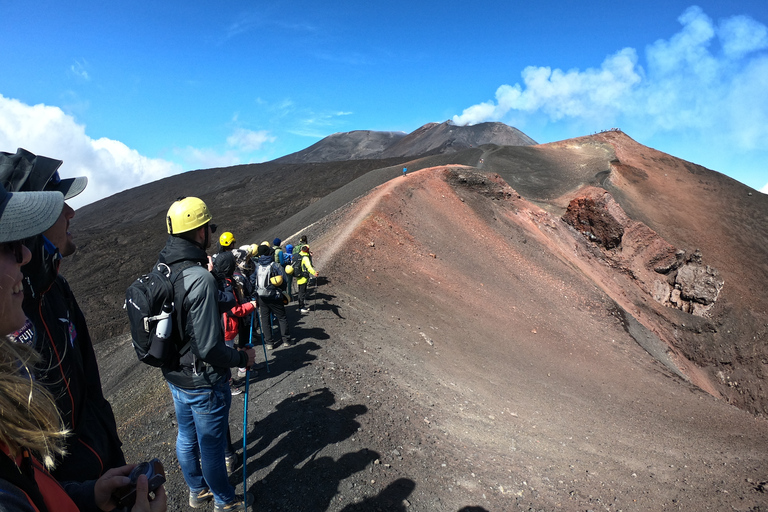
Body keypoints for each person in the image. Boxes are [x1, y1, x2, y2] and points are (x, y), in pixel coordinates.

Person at [0, 183, 166, 512]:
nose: (26, 254)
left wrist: (89, 495)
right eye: (10, 245)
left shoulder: (55, 291)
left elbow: (89, 385)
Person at [0, 148, 126, 483]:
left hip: (99, 481)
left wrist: (111, 461)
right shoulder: (8, 314)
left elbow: (92, 391)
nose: (70, 212)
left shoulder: (56, 290)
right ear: (26, 223)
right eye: (56, 205)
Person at [160, 196, 255, 511]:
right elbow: (210, 348)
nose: (211, 233)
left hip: (175, 376)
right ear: (199, 232)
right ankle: (224, 501)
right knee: (211, 447)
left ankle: (196, 490)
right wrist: (242, 359)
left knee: (186, 437)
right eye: (208, 228)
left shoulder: (163, 269)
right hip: (203, 381)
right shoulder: (199, 278)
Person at [252, 244, 290, 350]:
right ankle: (286, 340)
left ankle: (269, 343)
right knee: (281, 317)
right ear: (269, 253)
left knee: (265, 319)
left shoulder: (257, 266)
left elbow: (253, 280)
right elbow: (284, 280)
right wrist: (282, 290)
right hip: (274, 296)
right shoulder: (275, 265)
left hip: (261, 296)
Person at [295, 244, 319, 314]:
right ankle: (301, 307)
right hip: (303, 277)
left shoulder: (299, 255)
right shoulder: (305, 258)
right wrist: (314, 273)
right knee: (302, 292)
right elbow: (309, 267)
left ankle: (301, 305)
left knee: (300, 291)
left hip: (298, 276)